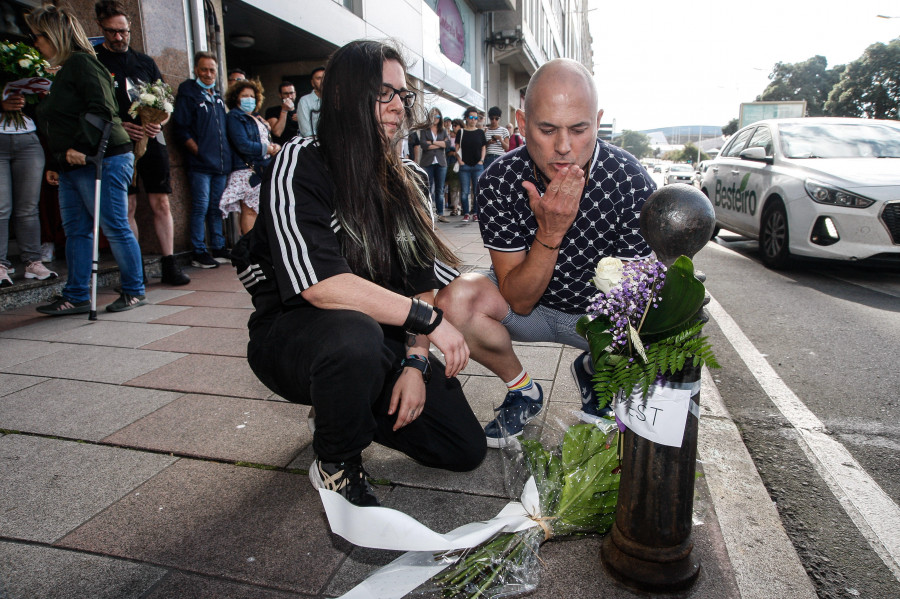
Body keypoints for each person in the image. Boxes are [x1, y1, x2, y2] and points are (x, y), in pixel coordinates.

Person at [236, 39, 485, 507]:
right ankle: (336, 462)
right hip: (296, 334)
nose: (398, 106)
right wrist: (429, 323)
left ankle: (343, 402)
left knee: (462, 449)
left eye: (403, 95)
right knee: (354, 337)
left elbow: (422, 285)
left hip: (383, 339)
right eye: (383, 93)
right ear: (348, 95)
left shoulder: (410, 177)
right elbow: (319, 285)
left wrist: (414, 361)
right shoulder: (301, 160)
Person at [436, 58, 654, 448]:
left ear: (598, 122)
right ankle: (523, 389)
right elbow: (518, 301)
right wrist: (551, 232)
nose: (564, 147)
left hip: (598, 320)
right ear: (522, 124)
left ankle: (595, 369)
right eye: (548, 129)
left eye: (579, 129)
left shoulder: (631, 181)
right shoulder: (500, 180)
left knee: (657, 321)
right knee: (456, 300)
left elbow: (634, 303)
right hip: (530, 311)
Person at [27, 4, 146, 314]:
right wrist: (57, 161)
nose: (35, 43)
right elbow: (61, 122)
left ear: (54, 35)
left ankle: (134, 290)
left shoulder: (83, 64)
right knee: (76, 229)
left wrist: (79, 147)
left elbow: (102, 110)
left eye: (37, 36)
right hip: (72, 164)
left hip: (102, 158)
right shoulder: (64, 69)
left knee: (114, 225)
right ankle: (77, 294)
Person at [94, 0, 189, 286]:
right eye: (112, 32)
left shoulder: (145, 62)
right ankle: (134, 268)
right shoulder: (95, 60)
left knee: (161, 201)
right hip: (119, 144)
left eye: (123, 31)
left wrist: (158, 121)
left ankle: (170, 263)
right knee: (127, 206)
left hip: (152, 140)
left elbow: (165, 101)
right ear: (101, 27)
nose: (119, 37)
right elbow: (91, 107)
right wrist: (119, 125)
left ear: (130, 27)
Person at [173, 50, 231, 269]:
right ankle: (199, 251)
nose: (208, 74)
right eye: (204, 69)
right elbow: (181, 129)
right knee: (201, 206)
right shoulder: (189, 93)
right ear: (196, 70)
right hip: (200, 165)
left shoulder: (216, 96)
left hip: (220, 164)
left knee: (216, 208)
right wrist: (198, 151)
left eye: (212, 70)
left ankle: (218, 247)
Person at [1, 88, 57, 287]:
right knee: (1, 206)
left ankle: (33, 262)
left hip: (28, 139)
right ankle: (0, 264)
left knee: (28, 207)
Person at [220, 79, 279, 234]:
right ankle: (250, 249)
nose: (249, 99)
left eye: (252, 96)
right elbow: (242, 144)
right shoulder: (235, 116)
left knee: (260, 211)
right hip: (247, 168)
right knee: (249, 210)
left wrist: (273, 147)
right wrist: (268, 149)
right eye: (244, 95)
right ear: (236, 98)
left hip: (263, 168)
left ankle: (256, 248)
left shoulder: (256, 117)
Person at [416, 107, 449, 222]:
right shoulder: (425, 130)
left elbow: (448, 144)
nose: (435, 118)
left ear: (440, 118)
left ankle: (440, 213)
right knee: (427, 189)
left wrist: (433, 142)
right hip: (427, 162)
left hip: (440, 162)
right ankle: (427, 214)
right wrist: (441, 144)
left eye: (438, 116)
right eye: (433, 116)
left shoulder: (443, 130)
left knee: (440, 189)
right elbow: (424, 145)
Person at [455, 106, 486, 222]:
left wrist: (481, 160)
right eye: (471, 117)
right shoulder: (461, 132)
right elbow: (456, 148)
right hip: (465, 165)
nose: (473, 120)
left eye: (475, 118)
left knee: (477, 191)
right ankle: (466, 213)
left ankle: (476, 213)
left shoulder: (480, 132)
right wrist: (460, 161)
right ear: (466, 118)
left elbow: (484, 147)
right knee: (464, 192)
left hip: (478, 165)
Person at [264, 80, 298, 145]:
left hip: (298, 148)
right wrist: (284, 111)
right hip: (281, 149)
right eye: (286, 93)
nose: (289, 96)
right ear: (280, 95)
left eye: (291, 93)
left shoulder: (301, 111)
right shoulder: (272, 111)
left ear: (295, 94)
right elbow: (277, 132)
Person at [296, 66, 324, 138]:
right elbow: (307, 131)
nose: (323, 81)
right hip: (313, 144)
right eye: (319, 78)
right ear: (312, 83)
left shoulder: (335, 99)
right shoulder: (304, 101)